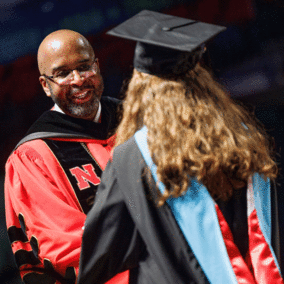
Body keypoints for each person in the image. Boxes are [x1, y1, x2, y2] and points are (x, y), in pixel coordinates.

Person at [78, 10, 283, 284]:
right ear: (201, 80)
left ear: (141, 87)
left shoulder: (132, 158)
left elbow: (101, 256)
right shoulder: (242, 140)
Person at [4, 29, 129, 284]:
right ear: (45, 86)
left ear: (97, 65)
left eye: (84, 67)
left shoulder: (137, 120)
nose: (77, 80)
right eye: (62, 73)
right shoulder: (32, 157)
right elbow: (64, 248)